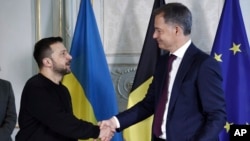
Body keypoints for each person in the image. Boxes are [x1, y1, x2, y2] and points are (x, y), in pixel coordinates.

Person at [100, 2, 226, 141]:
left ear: (177, 30)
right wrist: (114, 122)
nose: (154, 35)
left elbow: (217, 115)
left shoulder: (203, 65)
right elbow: (148, 104)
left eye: (159, 30)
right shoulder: (163, 62)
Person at [16, 37, 114, 141]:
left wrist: (97, 132)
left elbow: (67, 131)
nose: (70, 57)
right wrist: (97, 131)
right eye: (63, 54)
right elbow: (62, 122)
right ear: (47, 62)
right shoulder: (35, 87)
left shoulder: (63, 90)